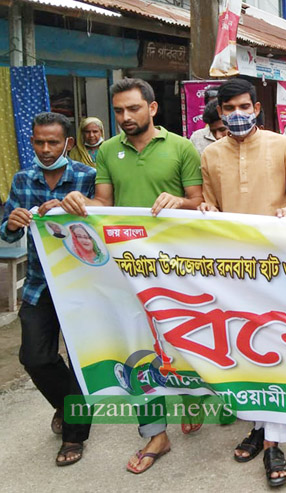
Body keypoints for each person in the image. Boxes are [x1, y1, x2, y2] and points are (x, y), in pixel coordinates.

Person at [59, 78, 204, 474]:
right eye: (119, 111)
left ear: (152, 108)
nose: (125, 117)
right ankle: (155, 433)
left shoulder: (181, 147)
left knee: (182, 340)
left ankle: (192, 397)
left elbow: (199, 202)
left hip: (176, 267)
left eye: (133, 109)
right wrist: (77, 201)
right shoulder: (108, 150)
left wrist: (179, 201)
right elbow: (103, 203)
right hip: (127, 268)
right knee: (136, 348)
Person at [197, 77, 286, 487]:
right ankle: (259, 426)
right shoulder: (211, 154)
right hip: (234, 271)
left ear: (257, 108)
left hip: (278, 267)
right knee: (246, 350)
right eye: (229, 109)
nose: (237, 115)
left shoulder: (283, 146)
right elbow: (210, 204)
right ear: (220, 113)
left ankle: (274, 442)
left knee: (275, 350)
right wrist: (206, 211)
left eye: (244, 107)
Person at [1, 111, 95, 467]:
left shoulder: (87, 177)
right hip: (40, 284)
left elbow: (103, 221)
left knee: (81, 359)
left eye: (52, 142)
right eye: (39, 142)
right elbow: (7, 231)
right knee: (34, 357)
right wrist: (12, 224)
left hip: (82, 283)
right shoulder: (22, 179)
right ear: (31, 142)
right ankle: (66, 404)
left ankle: (74, 434)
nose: (45, 149)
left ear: (67, 143)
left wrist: (78, 208)